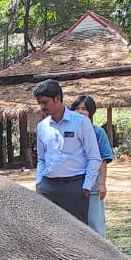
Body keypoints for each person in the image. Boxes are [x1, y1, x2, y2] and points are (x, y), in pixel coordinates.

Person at [32, 79, 101, 224]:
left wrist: (86, 186)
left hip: (75, 187)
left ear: (57, 98)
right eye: (40, 104)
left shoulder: (81, 122)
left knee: (77, 233)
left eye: (45, 102)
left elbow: (94, 157)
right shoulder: (42, 126)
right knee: (47, 232)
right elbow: (41, 159)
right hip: (48, 187)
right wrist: (40, 183)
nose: (42, 107)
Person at [70, 95, 113, 237]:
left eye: (84, 109)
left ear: (91, 112)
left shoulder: (98, 133)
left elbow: (104, 159)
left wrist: (102, 184)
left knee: (96, 224)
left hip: (93, 186)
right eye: (77, 109)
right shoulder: (69, 133)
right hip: (73, 184)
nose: (80, 112)